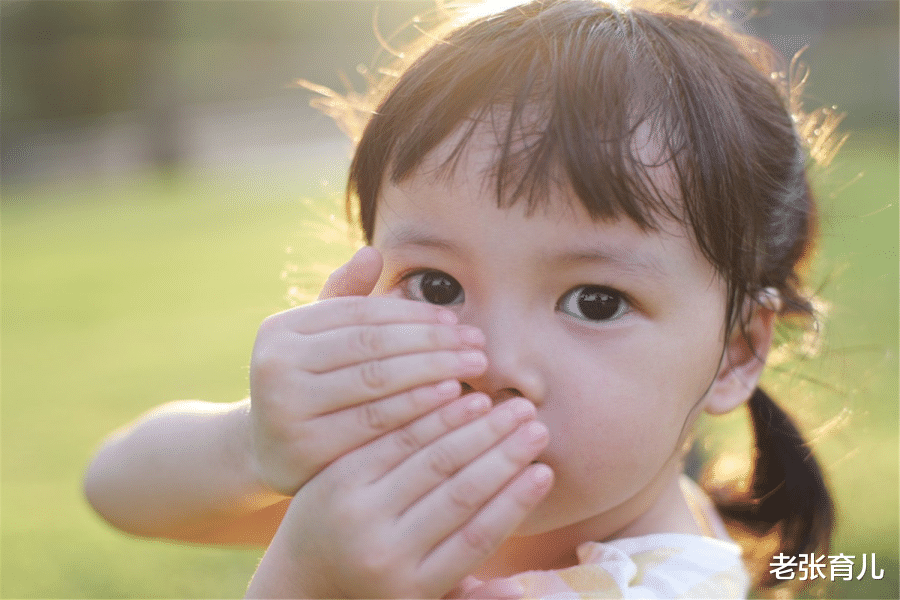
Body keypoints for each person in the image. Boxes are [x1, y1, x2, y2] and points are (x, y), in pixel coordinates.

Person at [84, 0, 843, 597]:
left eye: (595, 302)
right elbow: (116, 490)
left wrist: (308, 585)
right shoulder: (437, 485)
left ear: (736, 351)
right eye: (437, 286)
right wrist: (254, 446)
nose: (495, 360)